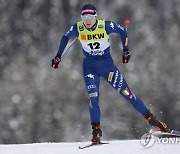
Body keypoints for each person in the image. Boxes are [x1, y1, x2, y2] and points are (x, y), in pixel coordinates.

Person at [52, 4, 170, 144]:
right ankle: (96, 132)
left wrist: (125, 50)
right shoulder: (78, 28)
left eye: (90, 17)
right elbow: (65, 37)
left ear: (95, 16)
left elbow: (122, 31)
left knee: (128, 95)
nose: (87, 20)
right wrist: (58, 56)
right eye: (84, 17)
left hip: (108, 68)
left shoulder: (105, 25)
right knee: (94, 98)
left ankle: (153, 120)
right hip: (90, 69)